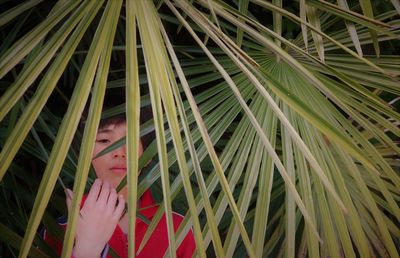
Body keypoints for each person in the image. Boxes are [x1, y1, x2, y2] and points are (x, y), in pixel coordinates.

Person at [43, 113, 196, 258]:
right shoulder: (56, 231)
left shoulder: (177, 229)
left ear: (148, 154)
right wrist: (84, 251)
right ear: (82, 153)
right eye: (104, 141)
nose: (119, 152)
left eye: (131, 141)